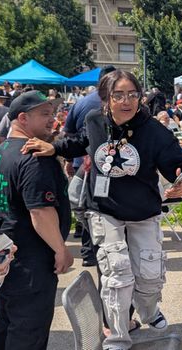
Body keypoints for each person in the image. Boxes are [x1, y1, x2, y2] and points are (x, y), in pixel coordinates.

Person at [24, 70, 182, 350]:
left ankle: (149, 309)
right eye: (119, 95)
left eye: (133, 94)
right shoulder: (95, 121)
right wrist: (54, 147)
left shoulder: (153, 130)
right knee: (116, 273)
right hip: (104, 209)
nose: (127, 101)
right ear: (106, 99)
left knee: (150, 274)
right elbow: (79, 142)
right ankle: (117, 336)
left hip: (143, 211)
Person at [0, 91, 72, 350]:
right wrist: (60, 249)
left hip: (7, 256)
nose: (52, 120)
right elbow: (40, 212)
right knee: (27, 332)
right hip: (32, 262)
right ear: (22, 118)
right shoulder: (33, 158)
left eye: (53, 113)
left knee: (7, 324)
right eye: (44, 114)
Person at [63, 65, 116, 266]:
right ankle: (95, 250)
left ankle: (88, 251)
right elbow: (72, 136)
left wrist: (69, 160)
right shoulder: (98, 108)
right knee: (96, 207)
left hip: (83, 163)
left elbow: (68, 132)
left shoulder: (82, 102)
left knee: (85, 206)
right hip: (95, 166)